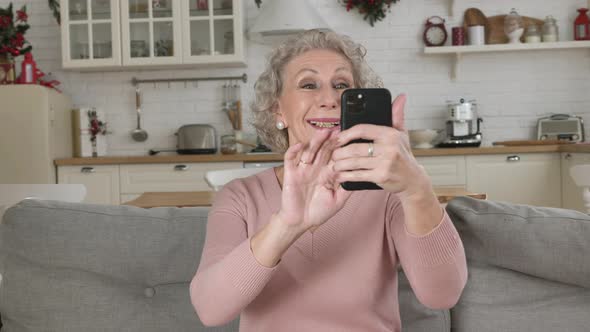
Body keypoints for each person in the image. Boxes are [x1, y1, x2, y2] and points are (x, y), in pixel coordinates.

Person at [190, 29, 467, 331]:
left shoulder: (388, 193)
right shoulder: (240, 196)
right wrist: (287, 225)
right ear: (277, 110)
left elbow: (443, 295)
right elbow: (209, 309)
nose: (330, 99)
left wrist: (416, 189)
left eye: (342, 85)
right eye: (308, 84)